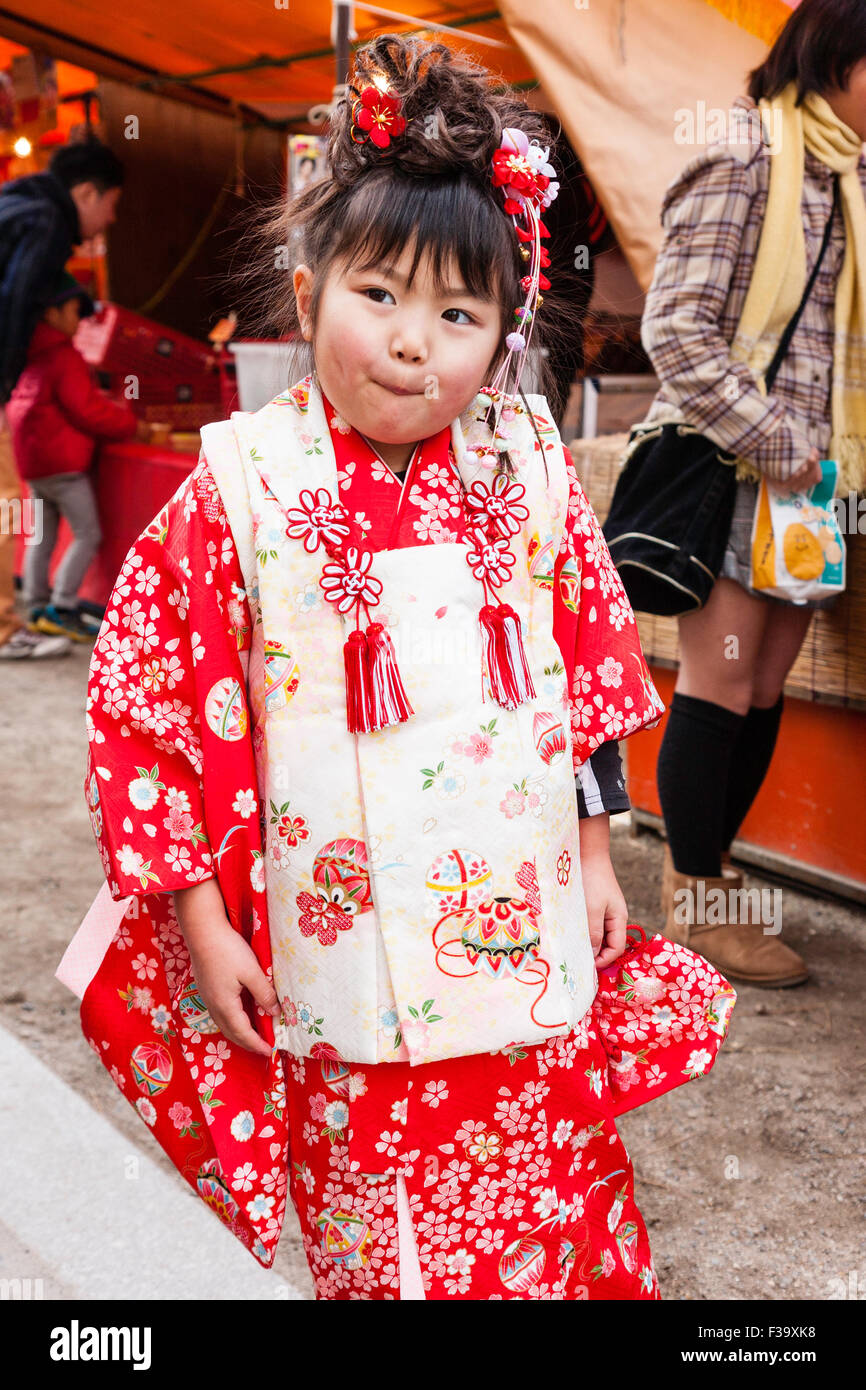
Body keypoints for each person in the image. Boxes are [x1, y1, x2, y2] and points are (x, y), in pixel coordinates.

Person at [64, 35, 736, 1300]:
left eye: (459, 315)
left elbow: (581, 651)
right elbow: (152, 698)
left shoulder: (522, 458)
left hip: (514, 895)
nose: (412, 345)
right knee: (380, 1217)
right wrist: (202, 918)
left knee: (542, 1168)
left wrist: (593, 852)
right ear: (309, 288)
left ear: (506, 332)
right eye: (379, 295)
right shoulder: (241, 487)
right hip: (334, 932)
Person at [640, 0, 866, 988]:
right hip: (741, 466)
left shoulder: (845, 175)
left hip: (814, 484)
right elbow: (676, 331)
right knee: (719, 684)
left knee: (764, 685)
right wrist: (781, 443)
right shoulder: (744, 155)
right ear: (835, 57)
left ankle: (713, 878)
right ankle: (695, 895)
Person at [0, 137, 124, 659]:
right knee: (7, 504)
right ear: (86, 192)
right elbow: (14, 298)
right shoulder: (47, 220)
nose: (110, 221)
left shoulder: (16, 202)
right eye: (111, 206)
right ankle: (6, 629)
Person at [6, 272, 138, 641]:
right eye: (74, 311)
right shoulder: (63, 356)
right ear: (52, 313)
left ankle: (35, 607)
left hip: (34, 467)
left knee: (41, 536)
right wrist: (128, 422)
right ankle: (63, 607)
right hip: (64, 468)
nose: (79, 321)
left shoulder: (26, 353)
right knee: (87, 533)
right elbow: (89, 410)